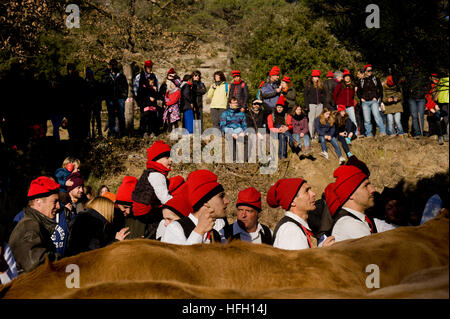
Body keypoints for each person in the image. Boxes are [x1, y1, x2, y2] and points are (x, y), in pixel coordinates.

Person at [324, 164, 395, 243]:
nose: (372, 190)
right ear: (350, 194)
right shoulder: (349, 225)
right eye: (366, 186)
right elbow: (377, 252)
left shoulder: (362, 219)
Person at [162, 169, 230, 245]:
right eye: (221, 196)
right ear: (206, 202)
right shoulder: (175, 228)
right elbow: (178, 257)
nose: (227, 201)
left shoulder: (217, 235)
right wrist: (199, 231)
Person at [9, 177, 61, 273]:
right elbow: (36, 265)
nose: (58, 206)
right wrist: (64, 262)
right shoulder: (29, 226)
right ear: (38, 201)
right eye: (55, 201)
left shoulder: (35, 224)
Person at [268, 178, 335, 250]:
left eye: (310, 189)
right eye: (306, 191)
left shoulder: (295, 226)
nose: (313, 194)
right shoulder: (291, 230)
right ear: (293, 201)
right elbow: (299, 261)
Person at [131, 140, 172, 236]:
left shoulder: (150, 173)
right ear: (157, 160)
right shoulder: (156, 175)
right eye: (167, 157)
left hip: (141, 213)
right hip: (146, 214)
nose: (171, 160)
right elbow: (165, 198)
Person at [357, 64, 386, 137]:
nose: (370, 72)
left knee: (377, 116)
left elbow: (380, 89)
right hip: (365, 102)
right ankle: (369, 134)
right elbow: (358, 91)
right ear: (365, 71)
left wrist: (376, 97)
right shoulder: (361, 81)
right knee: (367, 120)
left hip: (373, 101)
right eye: (368, 70)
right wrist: (361, 98)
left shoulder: (376, 79)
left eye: (371, 70)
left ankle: (382, 132)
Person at [102, 59, 128, 138]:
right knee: (111, 116)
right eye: (112, 65)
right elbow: (103, 87)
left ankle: (123, 134)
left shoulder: (121, 76)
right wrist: (106, 97)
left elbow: (126, 87)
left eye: (115, 64)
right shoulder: (106, 76)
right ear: (109, 66)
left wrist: (124, 96)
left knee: (121, 116)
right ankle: (112, 133)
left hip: (120, 98)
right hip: (110, 99)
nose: (113, 66)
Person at [133, 60, 159, 135]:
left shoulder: (154, 76)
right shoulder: (139, 76)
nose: (149, 68)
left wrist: (155, 96)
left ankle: (152, 131)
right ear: (145, 67)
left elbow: (157, 88)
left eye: (150, 67)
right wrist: (138, 100)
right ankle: (143, 131)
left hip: (152, 100)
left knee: (152, 115)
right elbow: (136, 89)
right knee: (144, 116)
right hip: (143, 100)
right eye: (148, 67)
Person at [220, 97, 248, 162]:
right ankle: (234, 159)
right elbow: (222, 126)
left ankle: (244, 159)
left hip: (239, 131)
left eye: (236, 103)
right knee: (231, 139)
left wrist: (244, 132)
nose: (236, 104)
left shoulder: (241, 114)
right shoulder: (225, 114)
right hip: (229, 131)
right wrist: (232, 133)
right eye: (234, 103)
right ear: (230, 104)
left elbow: (244, 125)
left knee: (248, 139)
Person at [333, 69, 358, 135]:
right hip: (341, 105)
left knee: (353, 119)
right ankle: (342, 133)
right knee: (341, 120)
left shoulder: (352, 85)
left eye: (348, 76)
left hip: (350, 105)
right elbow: (335, 95)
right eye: (346, 76)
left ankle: (355, 133)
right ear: (343, 78)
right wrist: (337, 103)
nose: (347, 77)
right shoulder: (340, 85)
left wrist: (352, 102)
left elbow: (353, 96)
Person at [304, 70, 325, 139]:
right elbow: (305, 95)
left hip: (319, 105)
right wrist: (307, 105)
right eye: (315, 77)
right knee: (311, 120)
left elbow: (323, 94)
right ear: (312, 77)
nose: (316, 78)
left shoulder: (320, 85)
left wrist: (322, 102)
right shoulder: (309, 85)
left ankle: (317, 134)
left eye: (317, 77)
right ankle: (311, 135)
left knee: (318, 120)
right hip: (311, 105)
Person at [85, 67, 102, 139]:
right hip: (88, 104)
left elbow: (99, 95)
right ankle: (88, 134)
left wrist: (97, 102)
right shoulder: (84, 83)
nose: (89, 75)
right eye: (88, 74)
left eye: (90, 74)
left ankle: (99, 133)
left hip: (96, 104)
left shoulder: (96, 83)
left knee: (97, 119)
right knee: (87, 120)